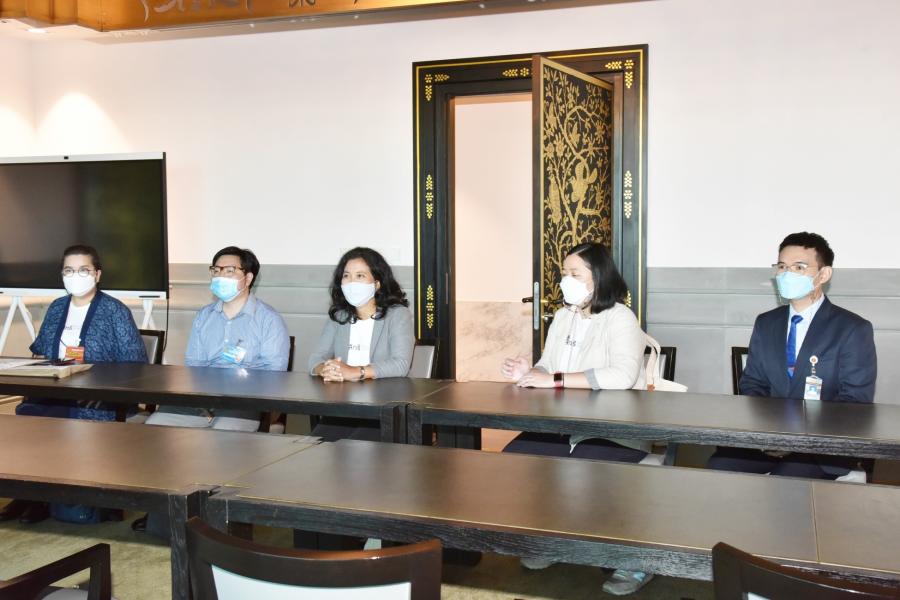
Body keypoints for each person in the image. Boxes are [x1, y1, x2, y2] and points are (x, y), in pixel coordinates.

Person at [500, 241, 653, 595]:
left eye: (574, 273)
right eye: (563, 273)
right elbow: (548, 366)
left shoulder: (620, 317)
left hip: (611, 429)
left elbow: (622, 376)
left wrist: (553, 380)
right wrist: (530, 370)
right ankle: (551, 541)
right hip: (562, 425)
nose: (564, 280)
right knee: (514, 460)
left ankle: (631, 560)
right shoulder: (563, 317)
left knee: (585, 471)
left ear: (598, 277)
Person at [708, 232, 877, 479]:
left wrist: (796, 442)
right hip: (768, 439)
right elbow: (752, 384)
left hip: (822, 448)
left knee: (786, 482)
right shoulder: (766, 323)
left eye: (799, 267)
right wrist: (770, 436)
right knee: (719, 465)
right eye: (782, 267)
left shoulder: (852, 329)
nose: (787, 274)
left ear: (824, 274)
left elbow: (854, 403)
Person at [0, 244, 147, 524]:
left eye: (83, 270)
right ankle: (29, 495)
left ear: (97, 274)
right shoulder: (57, 308)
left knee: (58, 421)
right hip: (56, 391)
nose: (75, 276)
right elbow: (41, 352)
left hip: (97, 397)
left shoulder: (115, 311)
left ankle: (46, 499)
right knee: (27, 417)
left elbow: (135, 364)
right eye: (69, 270)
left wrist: (105, 391)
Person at [145, 246, 290, 431]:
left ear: (248, 278)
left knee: (221, 437)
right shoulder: (204, 316)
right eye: (216, 270)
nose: (220, 276)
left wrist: (234, 392)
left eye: (229, 271)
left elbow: (274, 374)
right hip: (202, 400)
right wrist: (203, 398)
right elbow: (194, 366)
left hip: (246, 402)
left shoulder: (269, 320)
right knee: (154, 427)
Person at [307, 247, 414, 442]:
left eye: (360, 276)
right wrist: (326, 369)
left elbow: (401, 364)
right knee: (311, 448)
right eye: (346, 276)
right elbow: (315, 359)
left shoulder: (397, 315)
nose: (351, 282)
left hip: (382, 409)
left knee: (351, 450)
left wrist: (356, 372)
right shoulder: (339, 316)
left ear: (377, 283)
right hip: (344, 407)